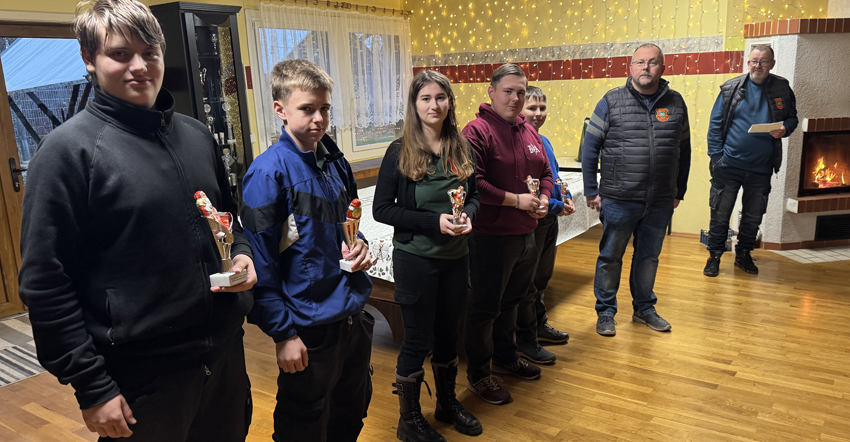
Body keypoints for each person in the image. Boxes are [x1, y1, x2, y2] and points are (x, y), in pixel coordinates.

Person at [18, 0, 257, 440]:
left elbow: (229, 221)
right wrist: (92, 387)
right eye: (120, 54)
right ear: (89, 59)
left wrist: (241, 254)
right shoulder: (67, 153)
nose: (140, 66)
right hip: (141, 379)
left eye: (150, 52)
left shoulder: (197, 135)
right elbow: (45, 283)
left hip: (224, 357)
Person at [240, 59, 374, 442]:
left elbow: (349, 225)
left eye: (325, 108)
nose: (319, 118)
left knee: (351, 411)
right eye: (307, 108)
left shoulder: (334, 161)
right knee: (305, 422)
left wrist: (360, 247)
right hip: (308, 327)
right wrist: (283, 334)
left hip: (351, 315)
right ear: (280, 109)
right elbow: (261, 264)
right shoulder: (267, 174)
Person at [373, 70, 483, 442]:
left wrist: (469, 215)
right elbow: (382, 209)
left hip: (456, 258)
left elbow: (474, 196)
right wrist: (433, 222)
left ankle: (447, 404)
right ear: (414, 104)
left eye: (440, 97)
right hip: (416, 259)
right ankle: (409, 420)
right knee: (417, 340)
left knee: (449, 335)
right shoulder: (398, 151)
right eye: (426, 98)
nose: (434, 105)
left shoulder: (461, 146)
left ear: (449, 102)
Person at [581, 43, 691, 337]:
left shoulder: (676, 103)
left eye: (652, 62)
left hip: (660, 200)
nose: (646, 67)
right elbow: (590, 147)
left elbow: (684, 149)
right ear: (630, 67)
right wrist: (591, 190)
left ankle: (644, 309)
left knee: (649, 258)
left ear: (662, 68)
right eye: (640, 62)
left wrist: (679, 190)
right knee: (610, 257)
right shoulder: (611, 101)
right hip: (619, 198)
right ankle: (606, 312)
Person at [462, 63, 555, 405]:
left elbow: (545, 172)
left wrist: (544, 198)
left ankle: (505, 357)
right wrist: (517, 201)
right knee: (485, 309)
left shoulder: (528, 131)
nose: (515, 98)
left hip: (526, 234)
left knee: (512, 302)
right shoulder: (476, 131)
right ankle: (479, 375)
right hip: (490, 238)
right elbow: (473, 184)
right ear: (491, 92)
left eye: (520, 92)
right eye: (508, 91)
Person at [703, 44, 798, 277]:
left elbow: (792, 118)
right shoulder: (730, 89)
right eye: (754, 61)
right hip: (728, 165)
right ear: (748, 63)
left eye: (763, 61)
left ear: (772, 64)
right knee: (720, 214)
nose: (758, 65)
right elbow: (715, 125)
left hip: (761, 167)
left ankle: (743, 255)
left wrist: (785, 129)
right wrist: (716, 158)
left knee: (753, 217)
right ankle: (714, 256)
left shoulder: (782, 88)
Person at [518, 86, 576, 350]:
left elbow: (555, 177)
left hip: (550, 219)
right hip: (534, 220)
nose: (538, 113)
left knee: (542, 277)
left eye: (542, 108)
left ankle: (539, 324)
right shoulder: (519, 144)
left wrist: (566, 196)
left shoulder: (545, 141)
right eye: (532, 108)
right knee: (528, 282)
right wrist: (555, 205)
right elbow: (527, 188)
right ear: (519, 109)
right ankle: (526, 335)